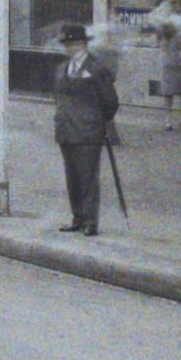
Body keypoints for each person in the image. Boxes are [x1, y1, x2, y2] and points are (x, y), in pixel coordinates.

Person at [51, 23, 119, 236]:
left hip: (88, 131)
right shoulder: (62, 68)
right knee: (72, 177)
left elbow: (110, 101)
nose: (71, 48)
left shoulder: (97, 68)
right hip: (66, 129)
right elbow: (58, 97)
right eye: (68, 44)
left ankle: (90, 221)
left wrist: (96, 120)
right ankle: (77, 217)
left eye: (75, 44)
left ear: (84, 44)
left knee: (88, 177)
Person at [145, 0, 181, 131]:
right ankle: (168, 118)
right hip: (168, 51)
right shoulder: (163, 8)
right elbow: (153, 20)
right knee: (168, 87)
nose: (171, 0)